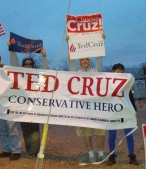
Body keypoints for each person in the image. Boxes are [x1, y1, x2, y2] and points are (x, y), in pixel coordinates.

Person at [67, 35, 105, 163]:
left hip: (97, 105)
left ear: (89, 61)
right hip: (82, 107)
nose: (84, 61)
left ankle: (100, 152)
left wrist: (101, 41)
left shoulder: (96, 70)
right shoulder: (75, 71)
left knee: (100, 130)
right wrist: (69, 43)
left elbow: (99, 59)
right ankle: (90, 154)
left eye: (86, 59)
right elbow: (71, 60)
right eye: (82, 59)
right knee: (86, 131)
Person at [8, 41, 49, 158]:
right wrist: (12, 50)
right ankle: (30, 150)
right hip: (23, 106)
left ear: (33, 65)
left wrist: (44, 56)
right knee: (26, 130)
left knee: (35, 129)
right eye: (26, 64)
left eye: (30, 63)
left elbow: (46, 71)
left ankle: (36, 151)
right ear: (23, 65)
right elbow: (14, 64)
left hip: (35, 106)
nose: (28, 65)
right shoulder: (19, 75)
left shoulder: (37, 75)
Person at [106, 63, 139, 166]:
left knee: (129, 133)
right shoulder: (108, 83)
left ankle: (132, 156)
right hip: (112, 112)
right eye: (117, 71)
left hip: (125, 111)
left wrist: (134, 110)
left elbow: (130, 97)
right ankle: (112, 156)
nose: (119, 73)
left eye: (121, 71)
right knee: (112, 135)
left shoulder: (127, 83)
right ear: (113, 72)